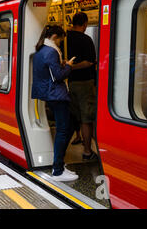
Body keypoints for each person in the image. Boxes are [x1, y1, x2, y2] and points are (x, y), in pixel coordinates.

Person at [32, 25, 78, 182]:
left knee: (68, 126)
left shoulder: (40, 51)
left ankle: (59, 164)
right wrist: (69, 67)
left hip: (49, 95)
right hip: (57, 95)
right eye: (60, 40)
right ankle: (58, 170)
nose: (60, 43)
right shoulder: (51, 52)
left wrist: (61, 64)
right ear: (54, 37)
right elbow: (57, 76)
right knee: (63, 130)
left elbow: (49, 72)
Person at [64, 12, 98, 161]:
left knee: (74, 115)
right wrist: (74, 67)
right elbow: (90, 62)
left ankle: (70, 143)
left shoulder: (65, 39)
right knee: (86, 117)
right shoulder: (86, 40)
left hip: (70, 82)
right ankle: (87, 151)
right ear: (84, 23)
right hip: (85, 82)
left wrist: (68, 69)